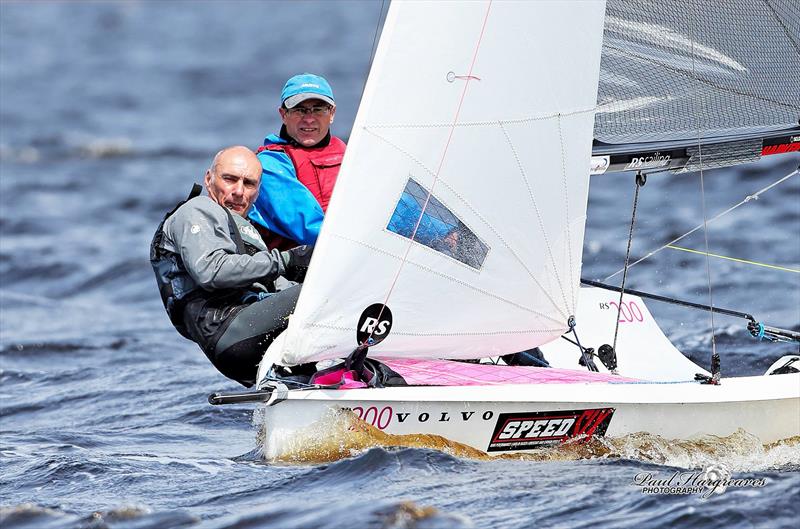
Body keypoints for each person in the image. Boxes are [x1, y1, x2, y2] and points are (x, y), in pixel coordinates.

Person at [150, 146, 313, 387]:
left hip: (250, 332)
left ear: (258, 191)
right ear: (209, 179)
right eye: (230, 179)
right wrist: (287, 261)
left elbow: (275, 286)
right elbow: (211, 271)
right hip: (230, 331)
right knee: (327, 291)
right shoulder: (195, 211)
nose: (238, 191)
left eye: (249, 184)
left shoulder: (244, 230)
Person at [248, 73, 346, 250]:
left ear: (332, 113)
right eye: (299, 110)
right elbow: (308, 227)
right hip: (299, 272)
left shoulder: (350, 153)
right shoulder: (270, 164)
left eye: (318, 109)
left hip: (352, 255)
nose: (309, 119)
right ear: (283, 114)